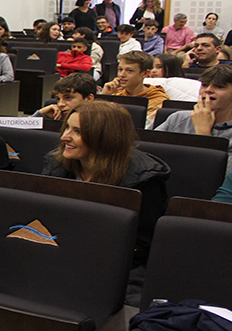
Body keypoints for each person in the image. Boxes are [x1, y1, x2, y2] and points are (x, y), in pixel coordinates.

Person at [43, 100, 170, 264]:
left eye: (78, 132)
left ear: (104, 138)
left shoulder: (145, 180)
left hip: (113, 262)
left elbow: (141, 246)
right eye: (67, 127)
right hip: (61, 250)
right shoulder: (56, 164)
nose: (64, 137)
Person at [156, 65, 232, 172]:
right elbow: (149, 155)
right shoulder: (177, 118)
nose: (209, 90)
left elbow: (221, 177)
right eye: (205, 85)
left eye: (219, 86)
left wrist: (203, 133)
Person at [101, 50, 169, 128]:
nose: (122, 75)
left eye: (129, 71)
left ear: (145, 73)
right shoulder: (116, 94)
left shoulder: (158, 100)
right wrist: (104, 96)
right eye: (120, 69)